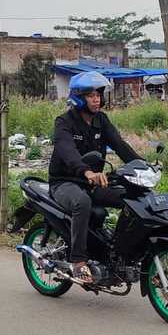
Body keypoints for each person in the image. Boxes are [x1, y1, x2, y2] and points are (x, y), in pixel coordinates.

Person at [49, 71, 141, 284]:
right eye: (90, 95)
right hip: (65, 182)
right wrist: (86, 171)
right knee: (83, 202)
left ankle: (119, 253)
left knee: (132, 198)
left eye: (98, 94)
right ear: (79, 97)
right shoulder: (64, 122)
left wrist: (142, 166)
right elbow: (67, 150)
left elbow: (120, 146)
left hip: (93, 181)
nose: (96, 99)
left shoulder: (101, 120)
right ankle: (78, 261)